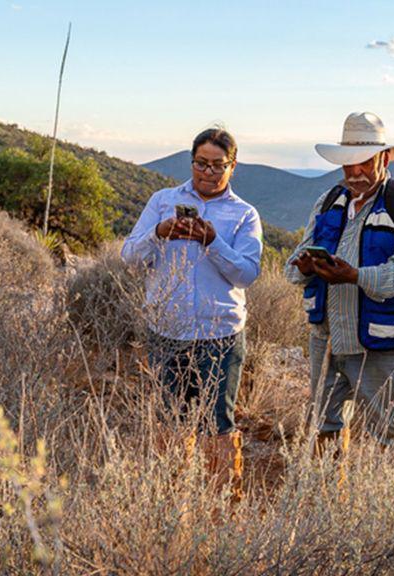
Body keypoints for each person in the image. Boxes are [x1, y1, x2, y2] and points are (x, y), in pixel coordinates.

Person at [121, 127, 263, 496]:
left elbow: (247, 274)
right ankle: (172, 503)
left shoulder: (244, 214)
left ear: (233, 167)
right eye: (201, 164)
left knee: (218, 424)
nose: (208, 173)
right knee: (169, 422)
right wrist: (160, 232)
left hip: (220, 336)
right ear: (192, 162)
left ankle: (220, 509)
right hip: (166, 332)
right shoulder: (162, 201)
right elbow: (129, 257)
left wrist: (211, 242)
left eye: (218, 166)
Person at [285, 112, 394, 457]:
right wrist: (306, 266)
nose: (354, 172)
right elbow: (293, 269)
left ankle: (391, 503)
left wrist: (354, 276)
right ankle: (328, 500)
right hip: (326, 339)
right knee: (323, 428)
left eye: (362, 163)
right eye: (347, 164)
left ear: (383, 158)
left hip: (378, 346)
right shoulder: (328, 200)